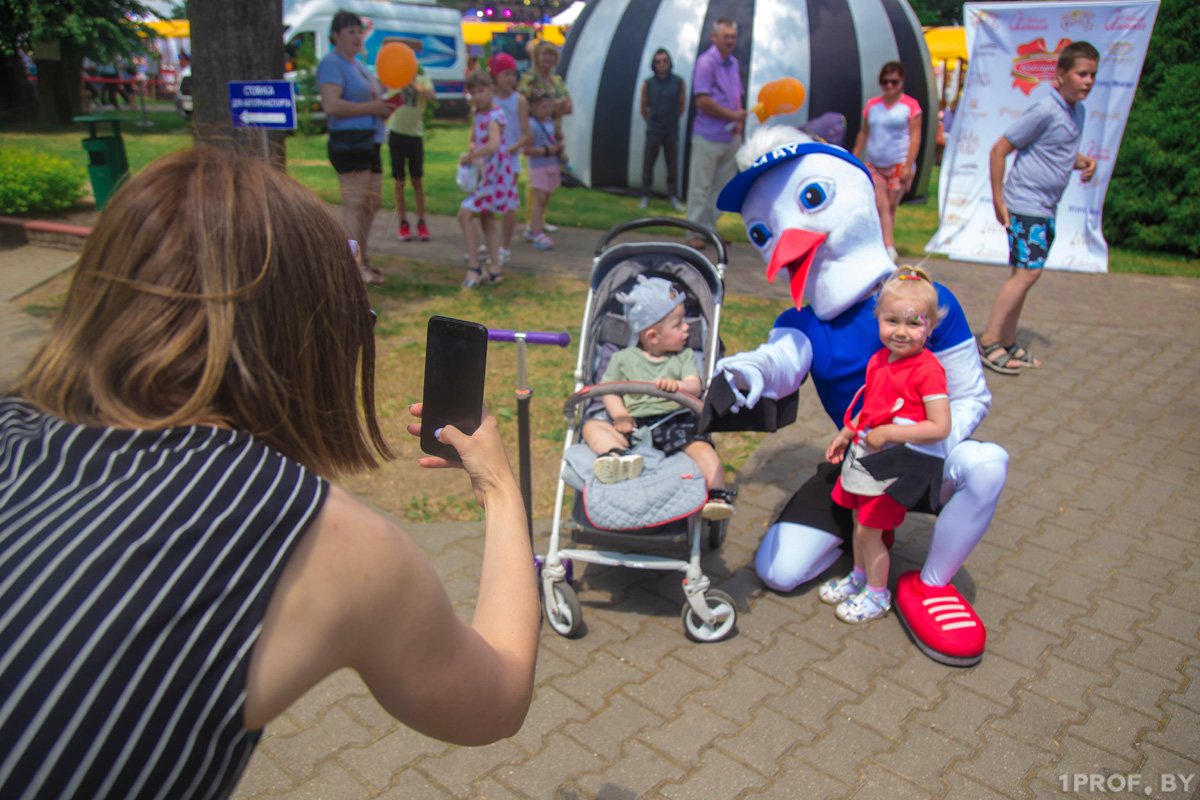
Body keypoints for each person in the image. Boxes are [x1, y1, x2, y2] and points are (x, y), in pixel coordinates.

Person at [0, 147, 540, 800]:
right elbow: (498, 697)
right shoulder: (321, 539)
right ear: (310, 338)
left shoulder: (13, 423)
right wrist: (499, 487)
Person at [711, 124, 1007, 666]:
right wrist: (747, 369)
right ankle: (867, 541)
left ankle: (933, 583)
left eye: (811, 199)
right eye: (764, 231)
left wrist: (921, 448)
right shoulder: (804, 322)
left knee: (988, 464)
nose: (786, 237)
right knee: (779, 571)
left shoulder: (924, 303)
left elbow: (972, 397)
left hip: (928, 455)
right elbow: (780, 360)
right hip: (860, 458)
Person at [820, 266, 951, 624]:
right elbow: (871, 407)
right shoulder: (879, 360)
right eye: (892, 320)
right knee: (858, 519)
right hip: (865, 456)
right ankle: (860, 577)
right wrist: (848, 432)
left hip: (894, 467)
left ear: (931, 327)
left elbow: (940, 426)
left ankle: (878, 595)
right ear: (877, 318)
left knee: (869, 530)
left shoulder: (928, 370)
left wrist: (891, 433)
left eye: (913, 323)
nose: (901, 332)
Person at [978, 41, 1099, 374]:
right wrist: (999, 200)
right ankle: (989, 342)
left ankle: (1007, 340)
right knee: (1028, 273)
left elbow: (1058, 154)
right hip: (1026, 204)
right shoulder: (1045, 110)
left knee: (1024, 274)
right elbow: (998, 150)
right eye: (1082, 73)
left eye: (1093, 75)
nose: (1088, 81)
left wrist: (1083, 162)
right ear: (1060, 75)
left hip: (1047, 207)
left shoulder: (1078, 112)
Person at [581, 276, 735, 520]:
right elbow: (608, 389)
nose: (687, 328)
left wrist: (679, 385)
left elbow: (696, 385)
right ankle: (617, 455)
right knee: (592, 426)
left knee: (703, 448)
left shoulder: (682, 357)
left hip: (675, 419)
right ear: (652, 336)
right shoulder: (624, 359)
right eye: (678, 324)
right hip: (634, 422)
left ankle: (717, 493)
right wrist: (620, 414)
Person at [317, 10, 395, 285]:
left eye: (358, 31)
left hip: (370, 139)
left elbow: (375, 95)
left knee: (371, 203)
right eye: (349, 31)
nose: (355, 36)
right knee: (354, 204)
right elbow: (332, 105)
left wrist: (382, 107)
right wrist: (372, 107)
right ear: (335, 35)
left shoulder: (358, 64)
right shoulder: (331, 63)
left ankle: (364, 256)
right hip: (349, 140)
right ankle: (350, 265)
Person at [851, 61, 922, 263]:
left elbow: (915, 136)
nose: (889, 86)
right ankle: (888, 247)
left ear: (901, 82)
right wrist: (853, 157)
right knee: (881, 205)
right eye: (885, 82)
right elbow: (864, 133)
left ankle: (883, 243)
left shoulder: (910, 106)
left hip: (899, 163)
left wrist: (908, 165)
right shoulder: (873, 105)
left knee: (891, 207)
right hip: (874, 164)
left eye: (894, 82)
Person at [686, 18, 746, 250]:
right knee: (700, 187)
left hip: (730, 136)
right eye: (726, 36)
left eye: (732, 36)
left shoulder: (733, 63)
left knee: (721, 187)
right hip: (708, 134)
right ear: (715, 37)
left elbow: (735, 94)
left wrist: (738, 119)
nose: (730, 41)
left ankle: (709, 229)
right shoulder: (706, 63)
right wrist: (733, 116)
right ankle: (693, 231)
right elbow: (702, 101)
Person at [458, 70, 518, 289]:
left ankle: (474, 265)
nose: (477, 96)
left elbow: (493, 144)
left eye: (481, 91)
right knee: (487, 220)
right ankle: (495, 269)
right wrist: (473, 147)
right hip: (486, 175)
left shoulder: (495, 115)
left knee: (464, 215)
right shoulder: (478, 114)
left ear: (491, 89)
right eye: (472, 92)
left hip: (494, 177)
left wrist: (472, 155)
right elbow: (475, 138)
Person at [518, 40, 572, 237]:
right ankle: (530, 221)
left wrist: (549, 105)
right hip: (534, 131)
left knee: (549, 179)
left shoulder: (556, 80)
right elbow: (522, 104)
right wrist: (556, 104)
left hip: (553, 132)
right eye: (544, 54)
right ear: (537, 57)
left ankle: (540, 219)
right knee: (536, 180)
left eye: (551, 55)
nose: (548, 58)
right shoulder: (529, 78)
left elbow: (569, 106)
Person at [385, 58, 437, 243]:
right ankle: (403, 223)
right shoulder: (394, 79)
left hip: (415, 136)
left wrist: (414, 84)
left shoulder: (422, 80)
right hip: (397, 134)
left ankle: (421, 222)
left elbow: (431, 96)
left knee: (417, 180)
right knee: (399, 181)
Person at [488, 53, 531, 267]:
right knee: (488, 201)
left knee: (508, 203)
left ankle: (504, 246)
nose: (510, 79)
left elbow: (525, 134)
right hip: (490, 159)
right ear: (496, 75)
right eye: (506, 74)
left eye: (513, 74)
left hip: (510, 159)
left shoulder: (519, 100)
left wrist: (508, 150)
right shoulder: (490, 99)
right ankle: (491, 242)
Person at [639, 48, 686, 212]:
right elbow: (643, 107)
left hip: (671, 129)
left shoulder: (678, 82)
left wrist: (671, 120)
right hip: (654, 129)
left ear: (669, 62)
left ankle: (673, 196)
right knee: (648, 163)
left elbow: (681, 106)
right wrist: (652, 122)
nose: (662, 64)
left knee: (672, 164)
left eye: (665, 60)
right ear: (654, 64)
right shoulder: (648, 83)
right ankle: (645, 195)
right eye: (658, 61)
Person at [525, 90, 564, 250]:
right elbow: (527, 149)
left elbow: (557, 138)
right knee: (539, 200)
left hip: (551, 165)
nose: (548, 110)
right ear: (534, 107)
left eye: (550, 107)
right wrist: (548, 150)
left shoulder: (550, 123)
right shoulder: (532, 125)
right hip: (539, 166)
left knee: (546, 197)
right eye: (544, 107)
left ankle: (535, 226)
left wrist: (559, 148)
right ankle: (537, 233)